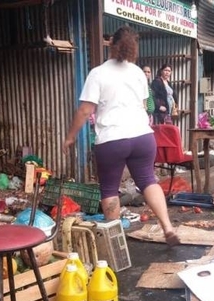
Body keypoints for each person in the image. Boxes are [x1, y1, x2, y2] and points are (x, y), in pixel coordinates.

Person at [62, 26, 179, 246]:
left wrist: (70, 137)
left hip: (112, 139)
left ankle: (116, 244)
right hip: (143, 136)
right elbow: (144, 105)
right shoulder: (137, 72)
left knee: (109, 188)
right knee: (148, 181)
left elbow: (85, 110)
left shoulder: (98, 73)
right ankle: (168, 227)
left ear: (110, 44)